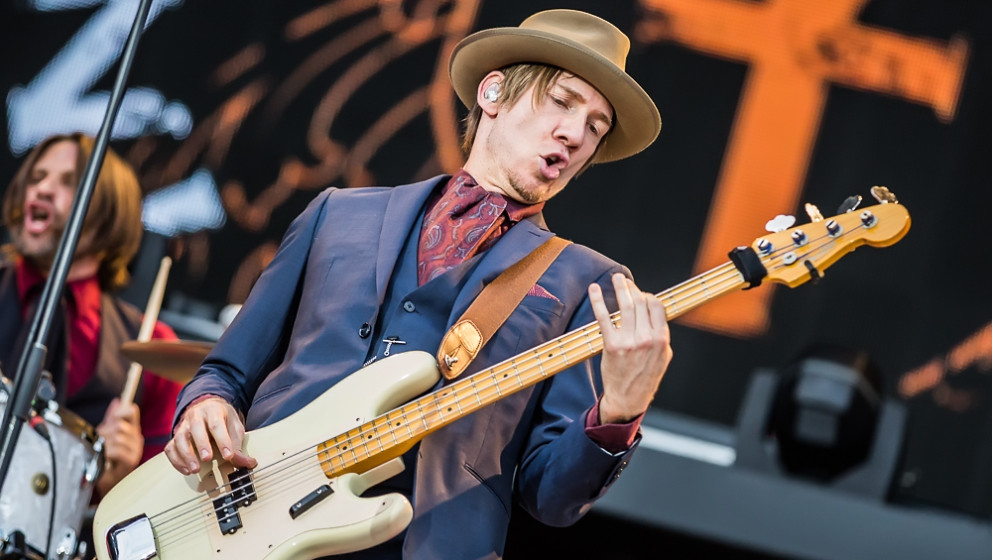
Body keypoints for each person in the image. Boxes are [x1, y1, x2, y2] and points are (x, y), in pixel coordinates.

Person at [165, 9, 672, 559]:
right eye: (563, 102)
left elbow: (550, 498)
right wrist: (206, 405)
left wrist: (620, 411)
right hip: (255, 522)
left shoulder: (585, 280)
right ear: (494, 93)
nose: (575, 135)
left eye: (596, 128)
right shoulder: (336, 214)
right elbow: (227, 371)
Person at [0, 133, 184, 555]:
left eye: (67, 181)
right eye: (38, 177)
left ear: (106, 214)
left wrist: (120, 480)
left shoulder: (153, 347)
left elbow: (164, 514)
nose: (42, 188)